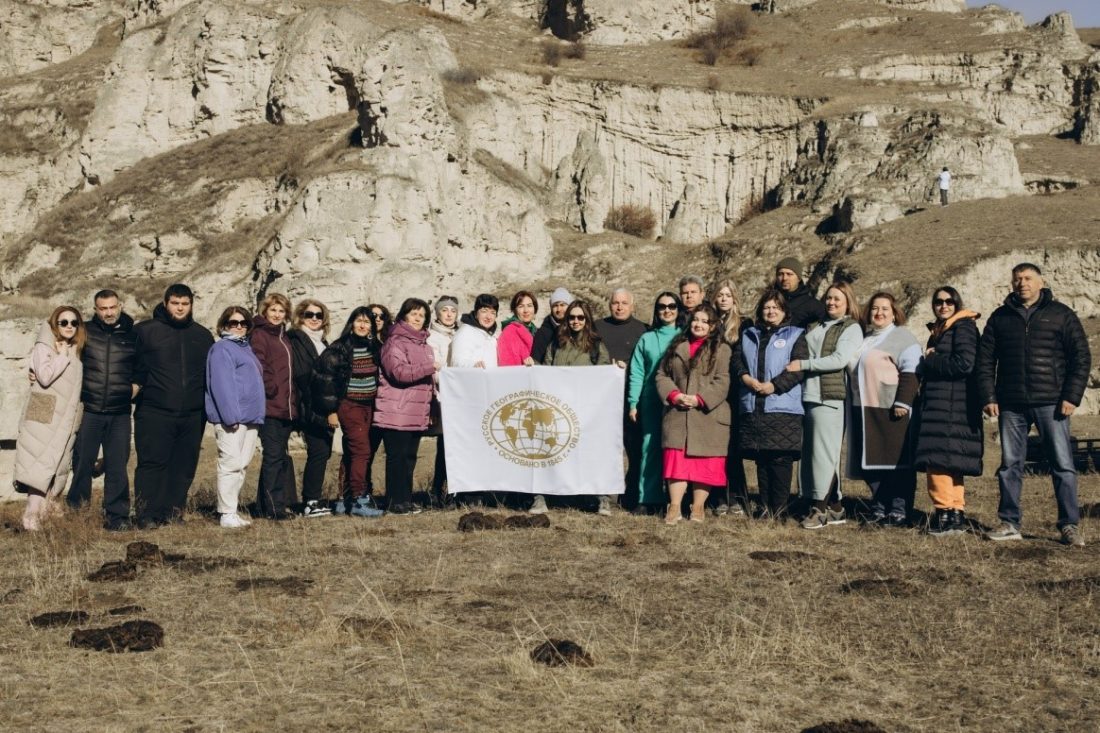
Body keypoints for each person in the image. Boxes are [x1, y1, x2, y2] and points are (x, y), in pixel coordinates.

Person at [977, 263, 1091, 546]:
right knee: (1010, 465)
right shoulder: (1000, 317)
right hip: (1010, 404)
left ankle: (1069, 526)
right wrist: (989, 397)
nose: (1022, 283)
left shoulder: (1061, 315)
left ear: (1041, 282)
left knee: (1063, 464)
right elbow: (985, 361)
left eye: (1028, 278)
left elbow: (1081, 358)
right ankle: (1009, 522)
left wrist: (1071, 397)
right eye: (1017, 279)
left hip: (1052, 402)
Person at [131, 284, 213, 528]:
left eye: (184, 303)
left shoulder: (203, 335)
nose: (180, 308)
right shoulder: (145, 331)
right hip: (154, 410)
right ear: (165, 303)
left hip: (193, 414)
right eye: (175, 303)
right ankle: (146, 515)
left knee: (183, 465)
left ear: (191, 305)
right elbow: (129, 366)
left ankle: (172, 512)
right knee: (152, 463)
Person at [786, 282, 863, 529]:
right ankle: (834, 506)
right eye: (828, 298)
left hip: (828, 397)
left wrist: (804, 365)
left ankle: (819, 509)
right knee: (809, 453)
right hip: (807, 395)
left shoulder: (851, 328)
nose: (831, 303)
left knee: (823, 454)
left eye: (837, 299)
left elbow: (839, 359)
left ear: (848, 302)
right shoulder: (817, 325)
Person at [67, 289, 138, 531]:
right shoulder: (84, 331)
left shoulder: (133, 334)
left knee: (117, 465)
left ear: (120, 305)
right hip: (90, 410)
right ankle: (78, 516)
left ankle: (117, 518)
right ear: (96, 309)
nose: (108, 312)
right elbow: (56, 340)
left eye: (112, 307)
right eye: (103, 308)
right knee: (82, 464)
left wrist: (136, 388)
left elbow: (142, 366)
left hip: (119, 413)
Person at [914, 286, 982, 536]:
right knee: (950, 462)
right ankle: (955, 514)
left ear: (957, 303)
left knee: (937, 461)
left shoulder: (962, 327)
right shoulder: (943, 330)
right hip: (948, 403)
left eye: (949, 302)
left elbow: (964, 364)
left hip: (949, 405)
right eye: (938, 302)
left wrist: (930, 359)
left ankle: (944, 514)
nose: (943, 306)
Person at [848, 292, 921, 527]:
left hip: (890, 408)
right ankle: (879, 507)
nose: (878, 313)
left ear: (894, 313)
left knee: (896, 463)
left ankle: (899, 510)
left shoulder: (903, 338)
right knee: (871, 463)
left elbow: (912, 370)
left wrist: (903, 402)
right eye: (874, 309)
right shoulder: (866, 338)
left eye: (884, 309)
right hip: (863, 408)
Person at [655, 303, 731, 524]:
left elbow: (723, 380)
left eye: (704, 321)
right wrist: (674, 395)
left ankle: (698, 507)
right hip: (677, 414)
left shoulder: (722, 349)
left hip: (707, 416)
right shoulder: (677, 346)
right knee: (676, 462)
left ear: (713, 326)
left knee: (703, 463)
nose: (698, 324)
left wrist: (699, 399)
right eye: (696, 320)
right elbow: (662, 375)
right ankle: (675, 506)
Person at [735, 289, 808, 520]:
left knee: (780, 459)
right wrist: (746, 378)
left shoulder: (796, 335)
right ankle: (765, 507)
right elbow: (737, 361)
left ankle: (780, 508)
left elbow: (798, 369)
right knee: (762, 458)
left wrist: (774, 386)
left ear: (784, 311)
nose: (771, 311)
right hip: (754, 407)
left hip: (782, 408)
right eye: (767, 307)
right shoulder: (748, 334)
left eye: (776, 307)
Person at [14, 306, 86, 531]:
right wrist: (62, 356)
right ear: (55, 324)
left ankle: (44, 519)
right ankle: (31, 518)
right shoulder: (46, 346)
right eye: (63, 322)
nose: (69, 327)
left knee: (55, 466)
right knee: (40, 467)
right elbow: (44, 377)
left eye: (74, 323)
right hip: (44, 418)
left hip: (63, 418)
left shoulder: (74, 348)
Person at [542, 299, 615, 515]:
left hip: (586, 408)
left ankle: (602, 497)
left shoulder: (596, 345)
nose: (575, 321)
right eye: (571, 317)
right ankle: (542, 495)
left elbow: (603, 373)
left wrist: (615, 371)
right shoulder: (556, 343)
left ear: (587, 319)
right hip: (558, 407)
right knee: (552, 451)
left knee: (593, 453)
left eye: (580, 317)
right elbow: (546, 369)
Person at [312, 307, 385, 518]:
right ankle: (360, 499)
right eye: (359, 321)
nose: (363, 325)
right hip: (349, 405)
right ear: (351, 323)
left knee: (352, 451)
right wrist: (331, 410)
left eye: (367, 322)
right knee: (362, 451)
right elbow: (325, 381)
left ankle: (344, 500)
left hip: (369, 406)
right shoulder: (339, 348)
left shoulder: (375, 347)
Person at [374, 298, 438, 515]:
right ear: (403, 316)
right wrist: (429, 367)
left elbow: (427, 384)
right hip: (397, 411)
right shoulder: (394, 343)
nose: (418, 318)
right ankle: (395, 502)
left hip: (416, 412)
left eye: (422, 315)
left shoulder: (425, 346)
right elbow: (398, 372)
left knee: (409, 458)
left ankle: (405, 500)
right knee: (397, 458)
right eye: (414, 314)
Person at [204, 307, 265, 529]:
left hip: (250, 418)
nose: (239, 326)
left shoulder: (246, 349)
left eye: (243, 323)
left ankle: (232, 510)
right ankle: (226, 513)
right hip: (233, 419)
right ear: (224, 325)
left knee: (242, 465)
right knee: (230, 464)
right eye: (233, 322)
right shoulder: (222, 349)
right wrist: (230, 416)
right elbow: (221, 385)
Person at [628, 293, 686, 514]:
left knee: (676, 449)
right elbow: (637, 373)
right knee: (650, 447)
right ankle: (648, 498)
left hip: (678, 400)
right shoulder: (647, 339)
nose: (667, 310)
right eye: (662, 307)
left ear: (678, 310)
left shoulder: (685, 337)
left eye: (672, 306)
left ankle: (676, 499)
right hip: (651, 400)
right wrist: (633, 402)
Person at [594, 288, 648, 511]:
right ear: (609, 305)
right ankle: (602, 496)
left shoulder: (643, 330)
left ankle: (632, 494)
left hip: (631, 400)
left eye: (624, 303)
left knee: (634, 450)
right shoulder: (597, 327)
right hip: (602, 400)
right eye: (615, 302)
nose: (619, 307)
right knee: (604, 450)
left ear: (632, 306)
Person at [707, 278, 752, 516]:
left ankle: (736, 497)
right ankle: (717, 497)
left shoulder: (745, 325)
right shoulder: (708, 322)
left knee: (732, 447)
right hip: (713, 389)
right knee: (715, 445)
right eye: (720, 295)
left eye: (728, 295)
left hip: (734, 391)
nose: (723, 299)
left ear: (735, 298)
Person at [250, 293, 298, 520]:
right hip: (271, 406)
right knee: (273, 457)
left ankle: (266, 505)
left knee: (279, 456)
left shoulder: (283, 337)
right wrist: (272, 390)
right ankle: (274, 508)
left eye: (281, 311)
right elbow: (260, 365)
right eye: (273, 310)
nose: (277, 315)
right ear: (265, 311)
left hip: (285, 407)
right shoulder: (260, 334)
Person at [287, 298, 334, 518]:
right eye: (309, 315)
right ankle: (310, 502)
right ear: (300, 317)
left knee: (322, 452)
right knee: (318, 452)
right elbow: (304, 375)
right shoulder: (297, 339)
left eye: (318, 315)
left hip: (321, 404)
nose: (314, 319)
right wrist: (327, 406)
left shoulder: (322, 342)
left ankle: (311, 499)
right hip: (311, 405)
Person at [426, 296, 459, 507]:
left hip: (461, 396)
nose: (448, 314)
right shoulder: (431, 337)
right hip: (443, 396)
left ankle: (456, 490)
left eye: (452, 311)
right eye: (444, 310)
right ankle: (439, 490)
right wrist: (454, 376)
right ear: (437, 314)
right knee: (445, 445)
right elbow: (434, 369)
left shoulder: (461, 334)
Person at [364, 303, 393, 495]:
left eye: (382, 316)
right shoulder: (361, 341)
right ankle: (358, 491)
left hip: (389, 404)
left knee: (391, 452)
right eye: (373, 316)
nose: (378, 319)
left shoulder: (391, 341)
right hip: (367, 403)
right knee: (364, 451)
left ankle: (391, 493)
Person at [773, 257, 827, 328]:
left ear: (798, 278)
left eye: (789, 274)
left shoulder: (813, 306)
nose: (784, 278)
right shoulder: (769, 302)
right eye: (780, 274)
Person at [531, 287, 572, 364]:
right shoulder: (543, 333)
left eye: (562, 305)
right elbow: (536, 361)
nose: (559, 309)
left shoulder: (576, 329)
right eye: (555, 305)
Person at [497, 291, 539, 367]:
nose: (526, 310)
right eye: (521, 306)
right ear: (515, 310)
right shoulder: (508, 333)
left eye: (529, 306)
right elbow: (507, 367)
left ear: (534, 309)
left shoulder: (537, 332)